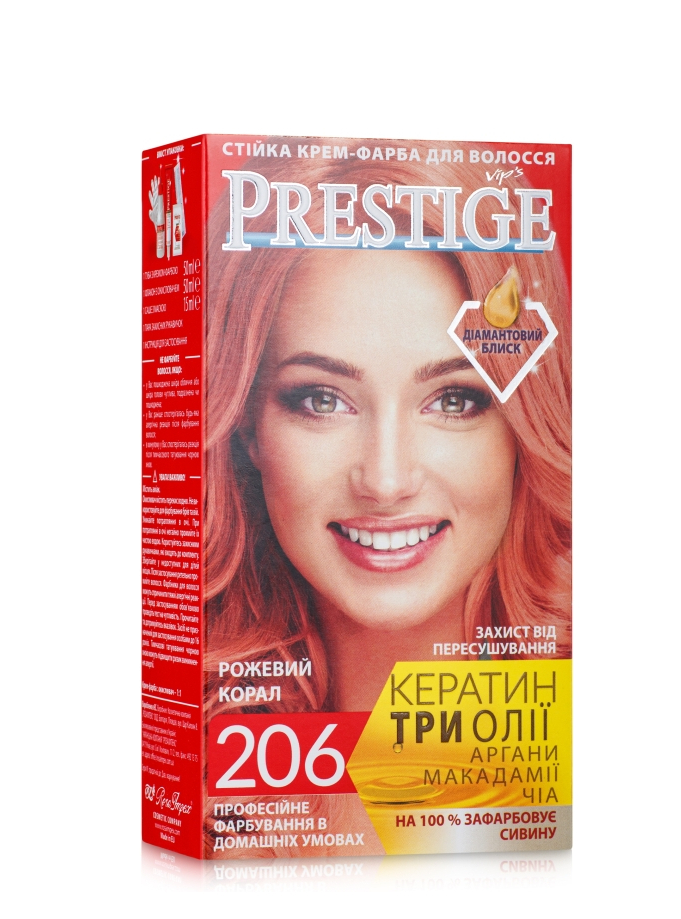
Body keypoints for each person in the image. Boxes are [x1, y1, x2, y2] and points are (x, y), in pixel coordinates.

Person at [204, 150, 572, 720]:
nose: (385, 482)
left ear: (524, 429)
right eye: (322, 400)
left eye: (454, 400)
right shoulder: (204, 745)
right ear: (247, 422)